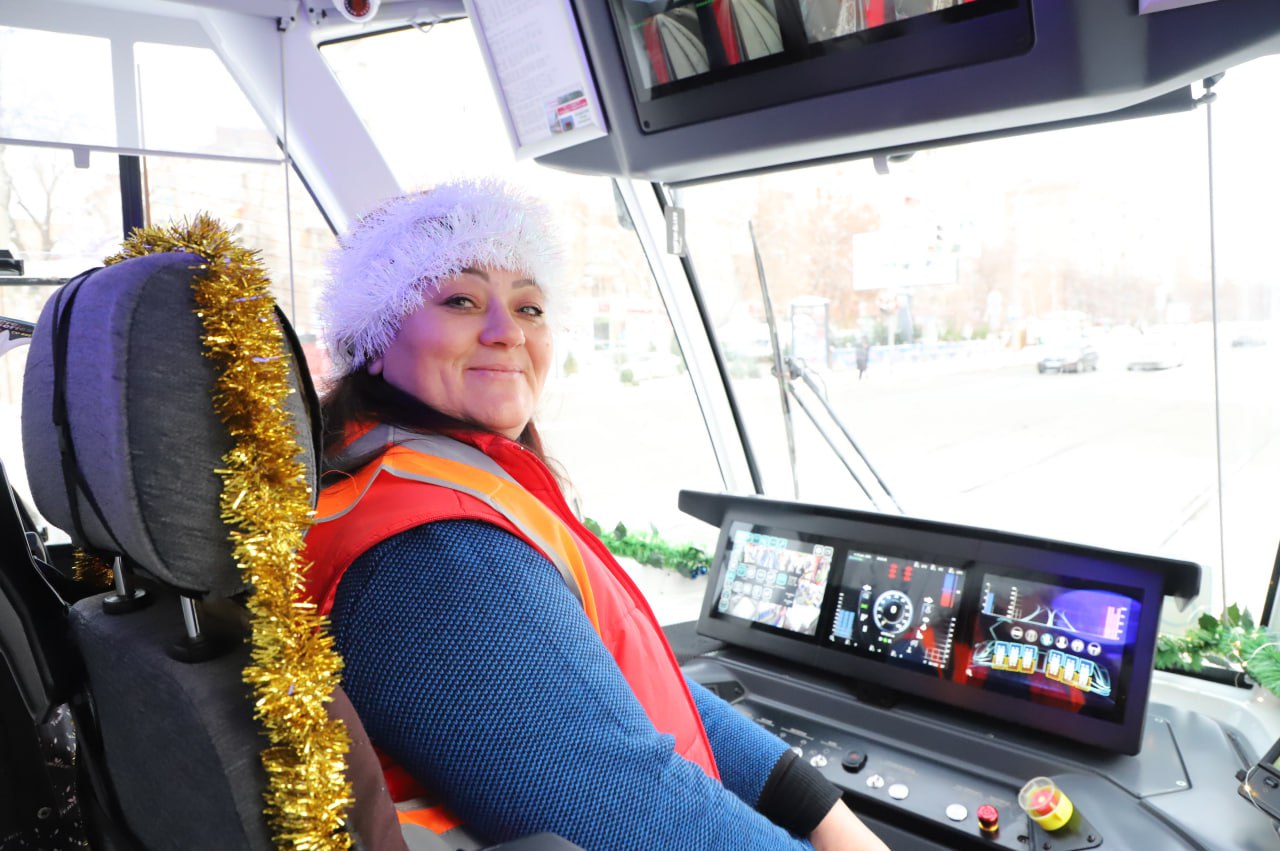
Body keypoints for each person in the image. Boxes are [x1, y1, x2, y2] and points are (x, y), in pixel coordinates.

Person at [302, 178, 891, 851]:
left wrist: (818, 808)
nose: (506, 333)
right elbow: (629, 804)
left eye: (529, 308)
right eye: (461, 299)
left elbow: (596, 678)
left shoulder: (397, 474)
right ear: (374, 339)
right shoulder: (435, 554)